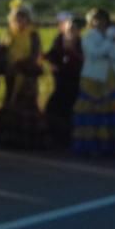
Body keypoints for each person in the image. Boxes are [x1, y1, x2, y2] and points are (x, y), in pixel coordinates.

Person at [0, 0, 45, 149]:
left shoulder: (33, 35)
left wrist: (25, 64)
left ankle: (28, 139)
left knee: (26, 103)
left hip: (27, 76)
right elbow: (2, 52)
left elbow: (36, 54)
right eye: (17, 18)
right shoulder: (8, 34)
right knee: (10, 102)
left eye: (23, 18)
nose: (20, 21)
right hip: (12, 75)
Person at [72, 9, 115, 155]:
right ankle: (89, 145)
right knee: (91, 110)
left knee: (108, 110)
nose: (98, 22)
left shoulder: (110, 35)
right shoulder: (88, 37)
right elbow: (94, 53)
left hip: (109, 77)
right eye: (95, 19)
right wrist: (109, 44)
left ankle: (107, 144)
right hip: (92, 77)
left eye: (101, 19)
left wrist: (111, 44)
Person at [44, 15, 84, 149]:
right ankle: (55, 136)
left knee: (71, 107)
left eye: (74, 27)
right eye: (69, 26)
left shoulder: (80, 42)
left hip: (74, 79)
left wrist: (74, 54)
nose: (71, 29)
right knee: (55, 106)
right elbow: (51, 55)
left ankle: (68, 137)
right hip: (60, 79)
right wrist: (52, 64)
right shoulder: (59, 40)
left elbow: (83, 59)